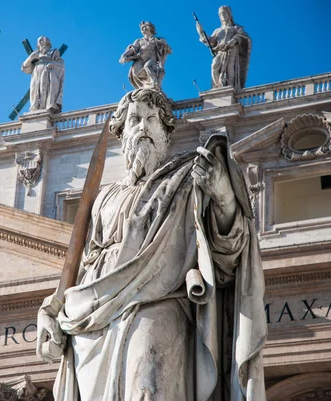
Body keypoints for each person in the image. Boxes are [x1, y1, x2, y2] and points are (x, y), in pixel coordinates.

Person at [37, 88, 267, 400]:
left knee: (149, 382)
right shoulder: (103, 197)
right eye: (134, 120)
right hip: (94, 314)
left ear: (165, 131)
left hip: (159, 299)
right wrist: (51, 310)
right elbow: (83, 265)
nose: (143, 127)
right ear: (122, 132)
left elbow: (227, 250)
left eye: (151, 120)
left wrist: (222, 195)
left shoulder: (185, 180)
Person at [199, 5, 251, 89]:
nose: (221, 16)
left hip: (232, 50)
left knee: (230, 69)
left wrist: (233, 41)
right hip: (220, 51)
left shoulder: (235, 28)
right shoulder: (217, 30)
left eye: (223, 13)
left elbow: (244, 37)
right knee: (214, 66)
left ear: (229, 14)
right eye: (220, 14)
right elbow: (210, 41)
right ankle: (217, 86)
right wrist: (201, 34)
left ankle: (230, 88)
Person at [119, 21, 171, 91]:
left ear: (150, 28)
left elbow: (167, 50)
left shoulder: (158, 40)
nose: (142, 29)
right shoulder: (139, 41)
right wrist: (125, 55)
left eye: (144, 27)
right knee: (135, 72)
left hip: (152, 60)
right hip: (140, 59)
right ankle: (144, 89)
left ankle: (154, 85)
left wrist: (163, 45)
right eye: (141, 28)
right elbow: (133, 50)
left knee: (147, 67)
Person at [22, 36, 65, 113]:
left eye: (44, 42)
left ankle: (42, 108)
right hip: (36, 73)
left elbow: (61, 64)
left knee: (44, 88)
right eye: (40, 42)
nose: (42, 44)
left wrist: (52, 64)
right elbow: (24, 67)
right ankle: (34, 108)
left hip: (47, 72)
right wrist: (31, 57)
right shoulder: (35, 54)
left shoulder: (54, 52)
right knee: (34, 90)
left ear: (48, 44)